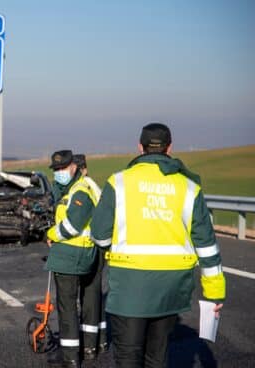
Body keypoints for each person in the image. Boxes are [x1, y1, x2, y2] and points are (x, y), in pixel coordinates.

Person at [90, 123, 225, 368]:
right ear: (169, 148)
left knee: (128, 355)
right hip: (171, 287)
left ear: (140, 147)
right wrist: (215, 292)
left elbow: (99, 236)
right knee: (158, 356)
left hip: (130, 285)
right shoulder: (189, 188)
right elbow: (206, 245)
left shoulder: (118, 182)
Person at [45, 150, 100, 368]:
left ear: (73, 167)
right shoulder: (76, 188)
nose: (59, 172)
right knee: (86, 303)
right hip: (81, 254)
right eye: (56, 169)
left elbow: (72, 226)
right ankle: (88, 348)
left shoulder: (80, 191)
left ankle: (69, 357)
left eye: (62, 168)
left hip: (72, 255)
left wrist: (50, 234)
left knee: (67, 307)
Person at [71, 153, 108, 358]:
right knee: (94, 296)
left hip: (89, 248)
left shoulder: (85, 188)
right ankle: (100, 341)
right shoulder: (94, 186)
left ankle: (89, 346)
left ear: (83, 169)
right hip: (97, 247)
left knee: (90, 297)